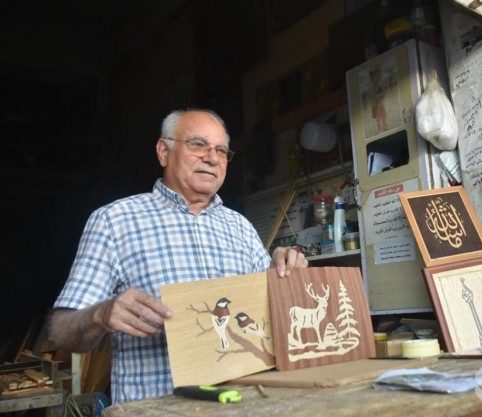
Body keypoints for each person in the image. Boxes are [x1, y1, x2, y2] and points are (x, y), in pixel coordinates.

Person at [47, 109, 308, 404]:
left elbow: (273, 317)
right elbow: (62, 333)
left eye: (221, 150)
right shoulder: (114, 220)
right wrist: (100, 314)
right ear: (163, 151)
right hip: (158, 411)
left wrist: (286, 271)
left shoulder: (239, 227)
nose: (212, 158)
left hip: (242, 407)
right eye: (198, 145)